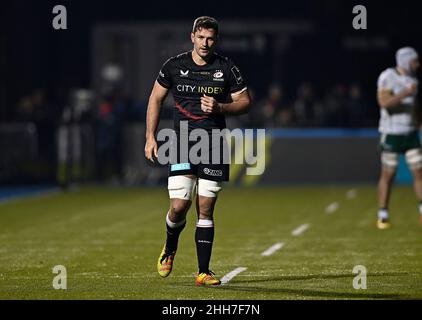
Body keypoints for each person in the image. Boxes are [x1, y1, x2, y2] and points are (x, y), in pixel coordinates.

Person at [144, 16, 251, 286]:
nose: (205, 43)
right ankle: (169, 247)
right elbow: (155, 98)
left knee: (206, 207)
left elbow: (245, 101)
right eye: (201, 37)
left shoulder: (226, 67)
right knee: (179, 207)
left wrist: (221, 108)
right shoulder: (174, 65)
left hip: (213, 143)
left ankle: (203, 272)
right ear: (192, 36)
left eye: (210, 38)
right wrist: (150, 137)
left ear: (216, 40)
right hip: (181, 142)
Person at [376, 47, 422, 229]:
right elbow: (384, 103)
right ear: (405, 61)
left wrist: (419, 122)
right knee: (388, 174)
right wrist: (405, 93)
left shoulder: (412, 79)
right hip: (392, 133)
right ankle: (383, 213)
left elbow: (414, 106)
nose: (417, 65)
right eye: (415, 61)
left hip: (410, 133)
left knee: (419, 172)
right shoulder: (388, 76)